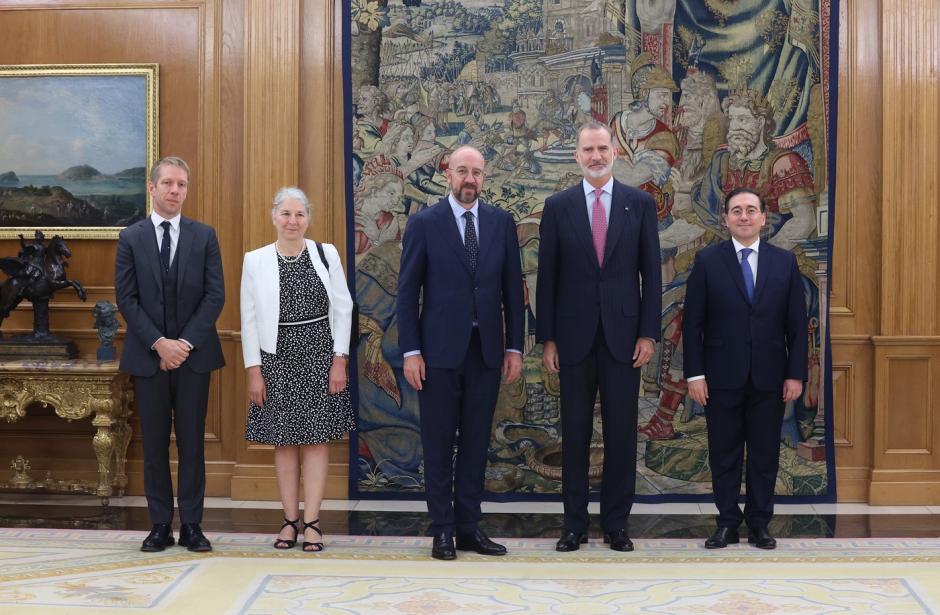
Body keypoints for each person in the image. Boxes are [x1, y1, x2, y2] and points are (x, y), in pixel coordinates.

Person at [536, 120, 661, 553]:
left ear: (615, 153)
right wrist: (547, 338)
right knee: (573, 434)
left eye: (602, 148)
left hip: (625, 339)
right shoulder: (558, 205)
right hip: (571, 339)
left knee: (622, 435)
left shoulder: (639, 204)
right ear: (577, 155)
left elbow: (652, 273)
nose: (595, 156)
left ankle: (615, 525)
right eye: (587, 149)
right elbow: (547, 278)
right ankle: (573, 525)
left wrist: (648, 333)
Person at [397, 145, 524, 560]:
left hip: (486, 353)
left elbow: (512, 292)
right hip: (436, 354)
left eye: (477, 173)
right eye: (462, 171)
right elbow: (407, 293)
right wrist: (411, 351)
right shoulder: (424, 224)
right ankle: (443, 530)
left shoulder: (501, 223)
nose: (470, 179)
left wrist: (514, 347)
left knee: (475, 443)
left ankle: (469, 527)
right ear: (448, 174)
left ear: (484, 178)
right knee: (437, 443)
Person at [683, 188, 807, 550]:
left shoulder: (784, 262)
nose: (744, 216)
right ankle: (726, 523)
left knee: (765, 453)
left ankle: (759, 523)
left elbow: (797, 326)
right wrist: (695, 375)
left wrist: (795, 374)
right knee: (724, 453)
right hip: (719, 377)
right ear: (726, 219)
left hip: (771, 376)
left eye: (751, 210)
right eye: (736, 210)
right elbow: (692, 324)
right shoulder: (708, 261)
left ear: (763, 218)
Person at [115, 156, 224, 553]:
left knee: (193, 444)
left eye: (182, 184)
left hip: (194, 359)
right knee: (156, 443)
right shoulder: (131, 238)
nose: (175, 191)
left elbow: (215, 296)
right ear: (152, 188)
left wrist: (183, 345)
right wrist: (159, 343)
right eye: (168, 184)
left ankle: (192, 525)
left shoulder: (205, 236)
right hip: (148, 358)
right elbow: (126, 298)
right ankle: (160, 524)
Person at [241, 187, 355, 552]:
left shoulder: (326, 254)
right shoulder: (254, 260)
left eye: (300, 215)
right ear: (274, 216)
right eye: (286, 214)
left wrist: (340, 360)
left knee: (317, 441)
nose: (293, 221)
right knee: (285, 442)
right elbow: (249, 319)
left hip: (320, 356)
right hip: (276, 359)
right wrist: (254, 371)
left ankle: (313, 524)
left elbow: (344, 307)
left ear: (309, 218)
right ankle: (289, 522)